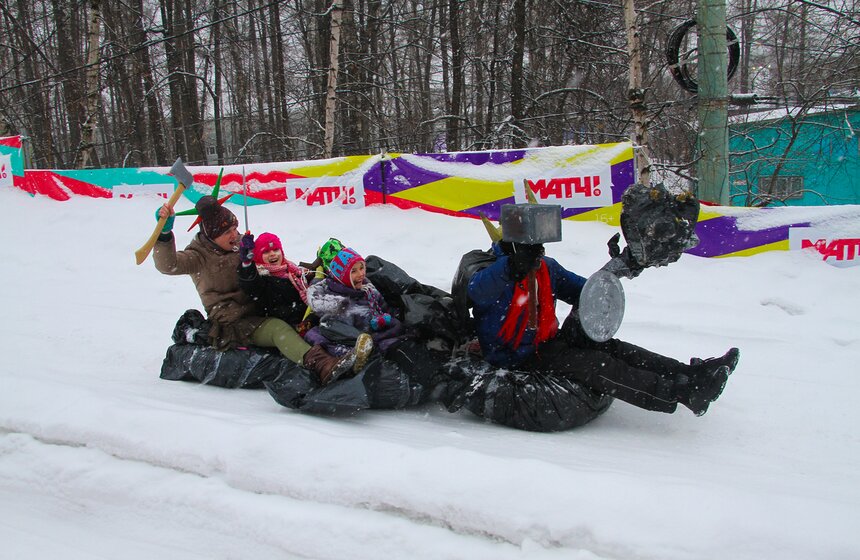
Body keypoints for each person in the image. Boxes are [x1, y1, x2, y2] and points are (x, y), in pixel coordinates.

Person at [466, 213, 740, 417]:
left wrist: (621, 266)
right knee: (596, 364)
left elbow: (587, 293)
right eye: (530, 245)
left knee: (616, 349)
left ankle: (694, 373)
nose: (538, 249)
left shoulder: (546, 267)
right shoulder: (490, 271)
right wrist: (512, 267)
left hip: (549, 342)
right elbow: (476, 292)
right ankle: (682, 393)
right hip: (519, 358)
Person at [153, 195, 371, 385]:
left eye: (235, 228)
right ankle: (323, 366)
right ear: (212, 235)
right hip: (236, 320)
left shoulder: (239, 244)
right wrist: (164, 235)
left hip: (260, 304)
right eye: (228, 231)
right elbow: (167, 264)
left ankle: (351, 345)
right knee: (279, 329)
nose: (234, 235)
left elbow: (274, 265)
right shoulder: (198, 257)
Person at [304, 246, 406, 360]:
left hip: (373, 332)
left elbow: (384, 308)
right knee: (320, 331)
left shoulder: (368, 288)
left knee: (396, 329)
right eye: (353, 271)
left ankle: (368, 347)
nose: (361, 274)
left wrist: (397, 316)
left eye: (362, 268)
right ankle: (353, 354)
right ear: (341, 277)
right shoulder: (332, 298)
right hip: (348, 339)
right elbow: (330, 328)